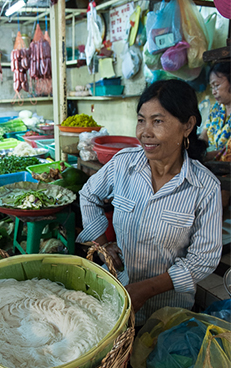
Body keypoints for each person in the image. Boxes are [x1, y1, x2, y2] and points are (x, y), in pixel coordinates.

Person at [76, 79, 222, 326]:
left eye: (158, 121)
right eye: (141, 120)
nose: (145, 132)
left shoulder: (204, 187)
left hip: (169, 316)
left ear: (187, 125)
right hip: (119, 299)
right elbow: (89, 195)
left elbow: (203, 258)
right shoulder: (124, 164)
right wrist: (102, 246)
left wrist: (147, 289)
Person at [199, 62, 231, 162]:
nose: (213, 92)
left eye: (216, 85)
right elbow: (204, 135)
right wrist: (197, 151)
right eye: (212, 87)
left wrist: (207, 156)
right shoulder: (216, 108)